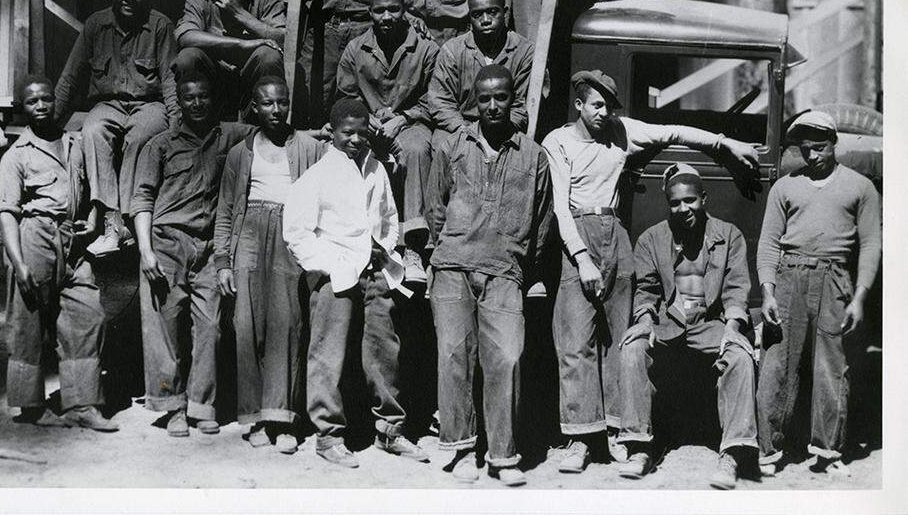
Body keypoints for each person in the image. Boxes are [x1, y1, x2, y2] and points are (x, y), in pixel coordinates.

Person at [541, 70, 759, 474]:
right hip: (578, 230)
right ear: (579, 105)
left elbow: (674, 131)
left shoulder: (621, 131)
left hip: (615, 231)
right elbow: (559, 206)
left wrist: (724, 142)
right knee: (575, 341)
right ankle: (580, 438)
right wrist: (581, 257)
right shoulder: (559, 141)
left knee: (616, 337)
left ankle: (616, 433)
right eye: (597, 105)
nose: (604, 113)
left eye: (609, 106)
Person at [282, 98, 430, 468]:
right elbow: (297, 233)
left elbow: (389, 216)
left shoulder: (377, 169)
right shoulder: (317, 175)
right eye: (347, 133)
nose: (356, 139)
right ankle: (328, 435)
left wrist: (384, 250)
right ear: (332, 132)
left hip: (374, 272)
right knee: (328, 354)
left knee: (383, 351)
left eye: (362, 132)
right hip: (337, 276)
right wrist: (328, 266)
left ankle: (389, 429)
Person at [425, 64, 554, 486]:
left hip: (505, 271)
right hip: (453, 267)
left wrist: (521, 266)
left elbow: (542, 221)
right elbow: (435, 207)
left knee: (507, 358)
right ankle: (462, 449)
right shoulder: (451, 146)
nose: (494, 106)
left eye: (501, 97)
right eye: (485, 99)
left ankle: (502, 455)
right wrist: (447, 249)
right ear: (474, 102)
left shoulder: (533, 155)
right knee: (453, 357)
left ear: (513, 99)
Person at [616, 164, 758, 489]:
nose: (683, 209)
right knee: (633, 349)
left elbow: (736, 287)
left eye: (690, 200)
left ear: (704, 198)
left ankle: (733, 453)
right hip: (668, 323)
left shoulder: (729, 235)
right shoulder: (652, 238)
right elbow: (647, 289)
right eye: (675, 203)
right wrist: (644, 320)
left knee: (740, 357)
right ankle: (639, 446)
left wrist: (734, 327)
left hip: (711, 323)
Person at [756, 111, 882, 476]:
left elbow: (871, 244)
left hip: (835, 278)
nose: (812, 156)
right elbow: (768, 243)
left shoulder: (861, 187)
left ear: (834, 143)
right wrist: (767, 292)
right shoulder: (784, 187)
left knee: (832, 367)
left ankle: (828, 451)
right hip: (789, 277)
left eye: (820, 147)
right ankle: (769, 450)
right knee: (777, 364)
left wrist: (860, 297)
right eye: (805, 149)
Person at [130, 76, 255, 438]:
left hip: (209, 246)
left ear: (213, 100)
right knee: (164, 328)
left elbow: (269, 127)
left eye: (203, 96)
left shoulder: (229, 136)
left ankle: (202, 404)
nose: (197, 103)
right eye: (190, 98)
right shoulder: (159, 145)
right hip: (166, 243)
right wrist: (145, 250)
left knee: (211, 326)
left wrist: (320, 133)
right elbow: (142, 198)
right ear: (180, 102)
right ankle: (172, 406)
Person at [214, 76, 328, 455]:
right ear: (255, 107)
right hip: (248, 232)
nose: (276, 110)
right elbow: (226, 210)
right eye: (267, 103)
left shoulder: (310, 148)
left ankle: (285, 419)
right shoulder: (240, 153)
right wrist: (222, 261)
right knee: (247, 325)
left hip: (290, 232)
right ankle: (257, 418)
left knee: (288, 324)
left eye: (282, 102)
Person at [0, 75, 117, 432]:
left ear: (54, 101)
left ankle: (83, 404)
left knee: (87, 315)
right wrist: (18, 262)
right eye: (32, 102)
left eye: (46, 99)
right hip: (34, 239)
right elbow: (8, 213)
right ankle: (30, 406)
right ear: (23, 108)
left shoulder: (74, 143)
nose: (41, 106)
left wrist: (92, 220)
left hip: (73, 241)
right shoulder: (16, 156)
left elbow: (91, 189)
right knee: (28, 321)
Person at [54, 0, 178, 258]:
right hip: (107, 104)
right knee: (93, 131)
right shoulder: (95, 25)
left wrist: (177, 129)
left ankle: (127, 221)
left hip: (149, 104)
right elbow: (71, 76)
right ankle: (112, 222)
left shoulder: (160, 26)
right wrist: (47, 123)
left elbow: (171, 80)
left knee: (140, 138)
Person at [336, 0, 439, 283]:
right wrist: (365, 117)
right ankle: (352, 242)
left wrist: (403, 118)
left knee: (417, 149)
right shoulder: (355, 49)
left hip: (410, 124)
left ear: (405, 10)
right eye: (379, 10)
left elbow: (435, 98)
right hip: (368, 126)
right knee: (342, 150)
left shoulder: (425, 49)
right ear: (370, 12)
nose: (386, 16)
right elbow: (346, 96)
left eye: (394, 9)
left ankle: (414, 247)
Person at [174, 0, 286, 119]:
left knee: (269, 56)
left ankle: (261, 124)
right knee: (188, 57)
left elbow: (282, 39)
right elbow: (185, 36)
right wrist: (241, 43)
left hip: (252, 80)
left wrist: (240, 12)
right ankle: (198, 122)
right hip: (215, 81)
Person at [427, 0, 534, 148]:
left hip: (504, 127)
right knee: (441, 143)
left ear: (505, 12)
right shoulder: (452, 51)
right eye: (477, 14)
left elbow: (521, 106)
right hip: (462, 125)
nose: (485, 20)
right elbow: (440, 101)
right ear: (469, 17)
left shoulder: (524, 51)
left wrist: (496, 135)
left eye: (492, 12)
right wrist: (467, 131)